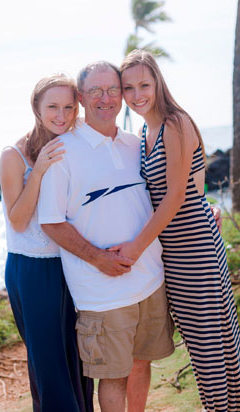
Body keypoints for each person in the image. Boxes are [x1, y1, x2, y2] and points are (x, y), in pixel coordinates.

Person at [38, 61, 176, 412]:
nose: (106, 98)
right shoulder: (62, 151)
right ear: (81, 97)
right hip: (102, 293)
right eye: (96, 91)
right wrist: (100, 259)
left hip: (150, 279)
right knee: (113, 376)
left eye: (113, 89)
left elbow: (165, 192)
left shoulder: (136, 143)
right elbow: (51, 223)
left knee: (142, 363)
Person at [113, 49, 240, 411]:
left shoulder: (174, 123)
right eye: (129, 88)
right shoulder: (144, 130)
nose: (137, 95)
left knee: (210, 346)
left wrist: (135, 248)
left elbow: (174, 196)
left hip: (194, 250)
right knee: (210, 344)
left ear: (158, 83)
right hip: (172, 251)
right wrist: (207, 207)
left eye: (144, 85)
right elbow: (194, 187)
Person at [0, 73, 93, 412]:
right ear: (36, 108)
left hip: (72, 263)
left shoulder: (77, 142)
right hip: (32, 268)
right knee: (49, 361)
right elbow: (19, 220)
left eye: (69, 107)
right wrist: (36, 172)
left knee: (79, 358)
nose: (61, 115)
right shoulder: (14, 155)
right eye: (52, 106)